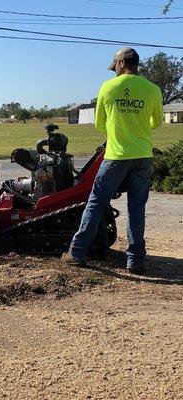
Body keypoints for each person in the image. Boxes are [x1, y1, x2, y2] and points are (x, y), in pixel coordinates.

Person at [62, 47, 163, 274]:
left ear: (121, 64)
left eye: (115, 67)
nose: (114, 70)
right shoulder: (153, 89)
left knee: (96, 202)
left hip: (116, 155)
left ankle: (77, 252)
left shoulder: (108, 88)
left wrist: (119, 127)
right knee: (137, 208)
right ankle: (135, 261)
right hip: (143, 156)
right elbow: (156, 122)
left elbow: (99, 124)